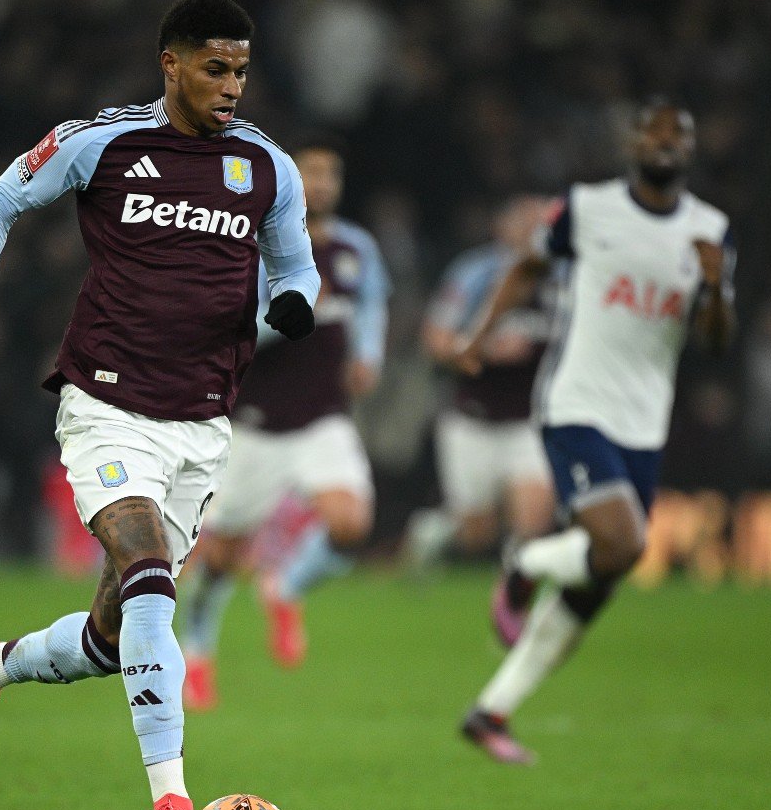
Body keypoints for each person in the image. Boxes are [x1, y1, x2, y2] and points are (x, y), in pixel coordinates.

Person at [0, 0, 320, 810]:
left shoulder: (266, 166)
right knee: (150, 577)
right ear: (171, 64)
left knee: (113, 638)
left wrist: (295, 302)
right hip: (107, 405)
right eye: (215, 69)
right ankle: (173, 808)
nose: (232, 87)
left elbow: (296, 264)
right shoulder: (103, 142)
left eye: (242, 71)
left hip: (203, 424)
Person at [456, 98, 736, 764]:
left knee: (604, 573)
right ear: (632, 143)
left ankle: (491, 712)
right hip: (576, 402)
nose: (664, 142)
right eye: (652, 131)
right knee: (622, 541)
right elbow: (527, 267)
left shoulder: (710, 230)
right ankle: (524, 563)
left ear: (690, 149)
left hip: (645, 422)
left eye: (677, 133)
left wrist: (717, 289)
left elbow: (717, 342)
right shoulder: (587, 207)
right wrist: (480, 333)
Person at [178, 140, 389, 708]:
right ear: (287, 181)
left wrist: (368, 353)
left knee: (351, 523)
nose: (321, 184)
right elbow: (229, 329)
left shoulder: (355, 247)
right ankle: (197, 652)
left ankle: (284, 586)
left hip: (324, 417)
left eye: (330, 174)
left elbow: (371, 302)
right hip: (257, 423)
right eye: (310, 174)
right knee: (222, 557)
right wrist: (290, 316)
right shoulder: (253, 244)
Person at [407, 197, 556, 584]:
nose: (533, 230)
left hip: (529, 419)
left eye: (540, 222)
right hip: (473, 417)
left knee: (533, 521)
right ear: (501, 226)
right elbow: (434, 339)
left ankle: (512, 594)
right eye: (523, 221)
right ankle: (434, 531)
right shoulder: (475, 272)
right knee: (477, 533)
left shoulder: (562, 275)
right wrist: (485, 349)